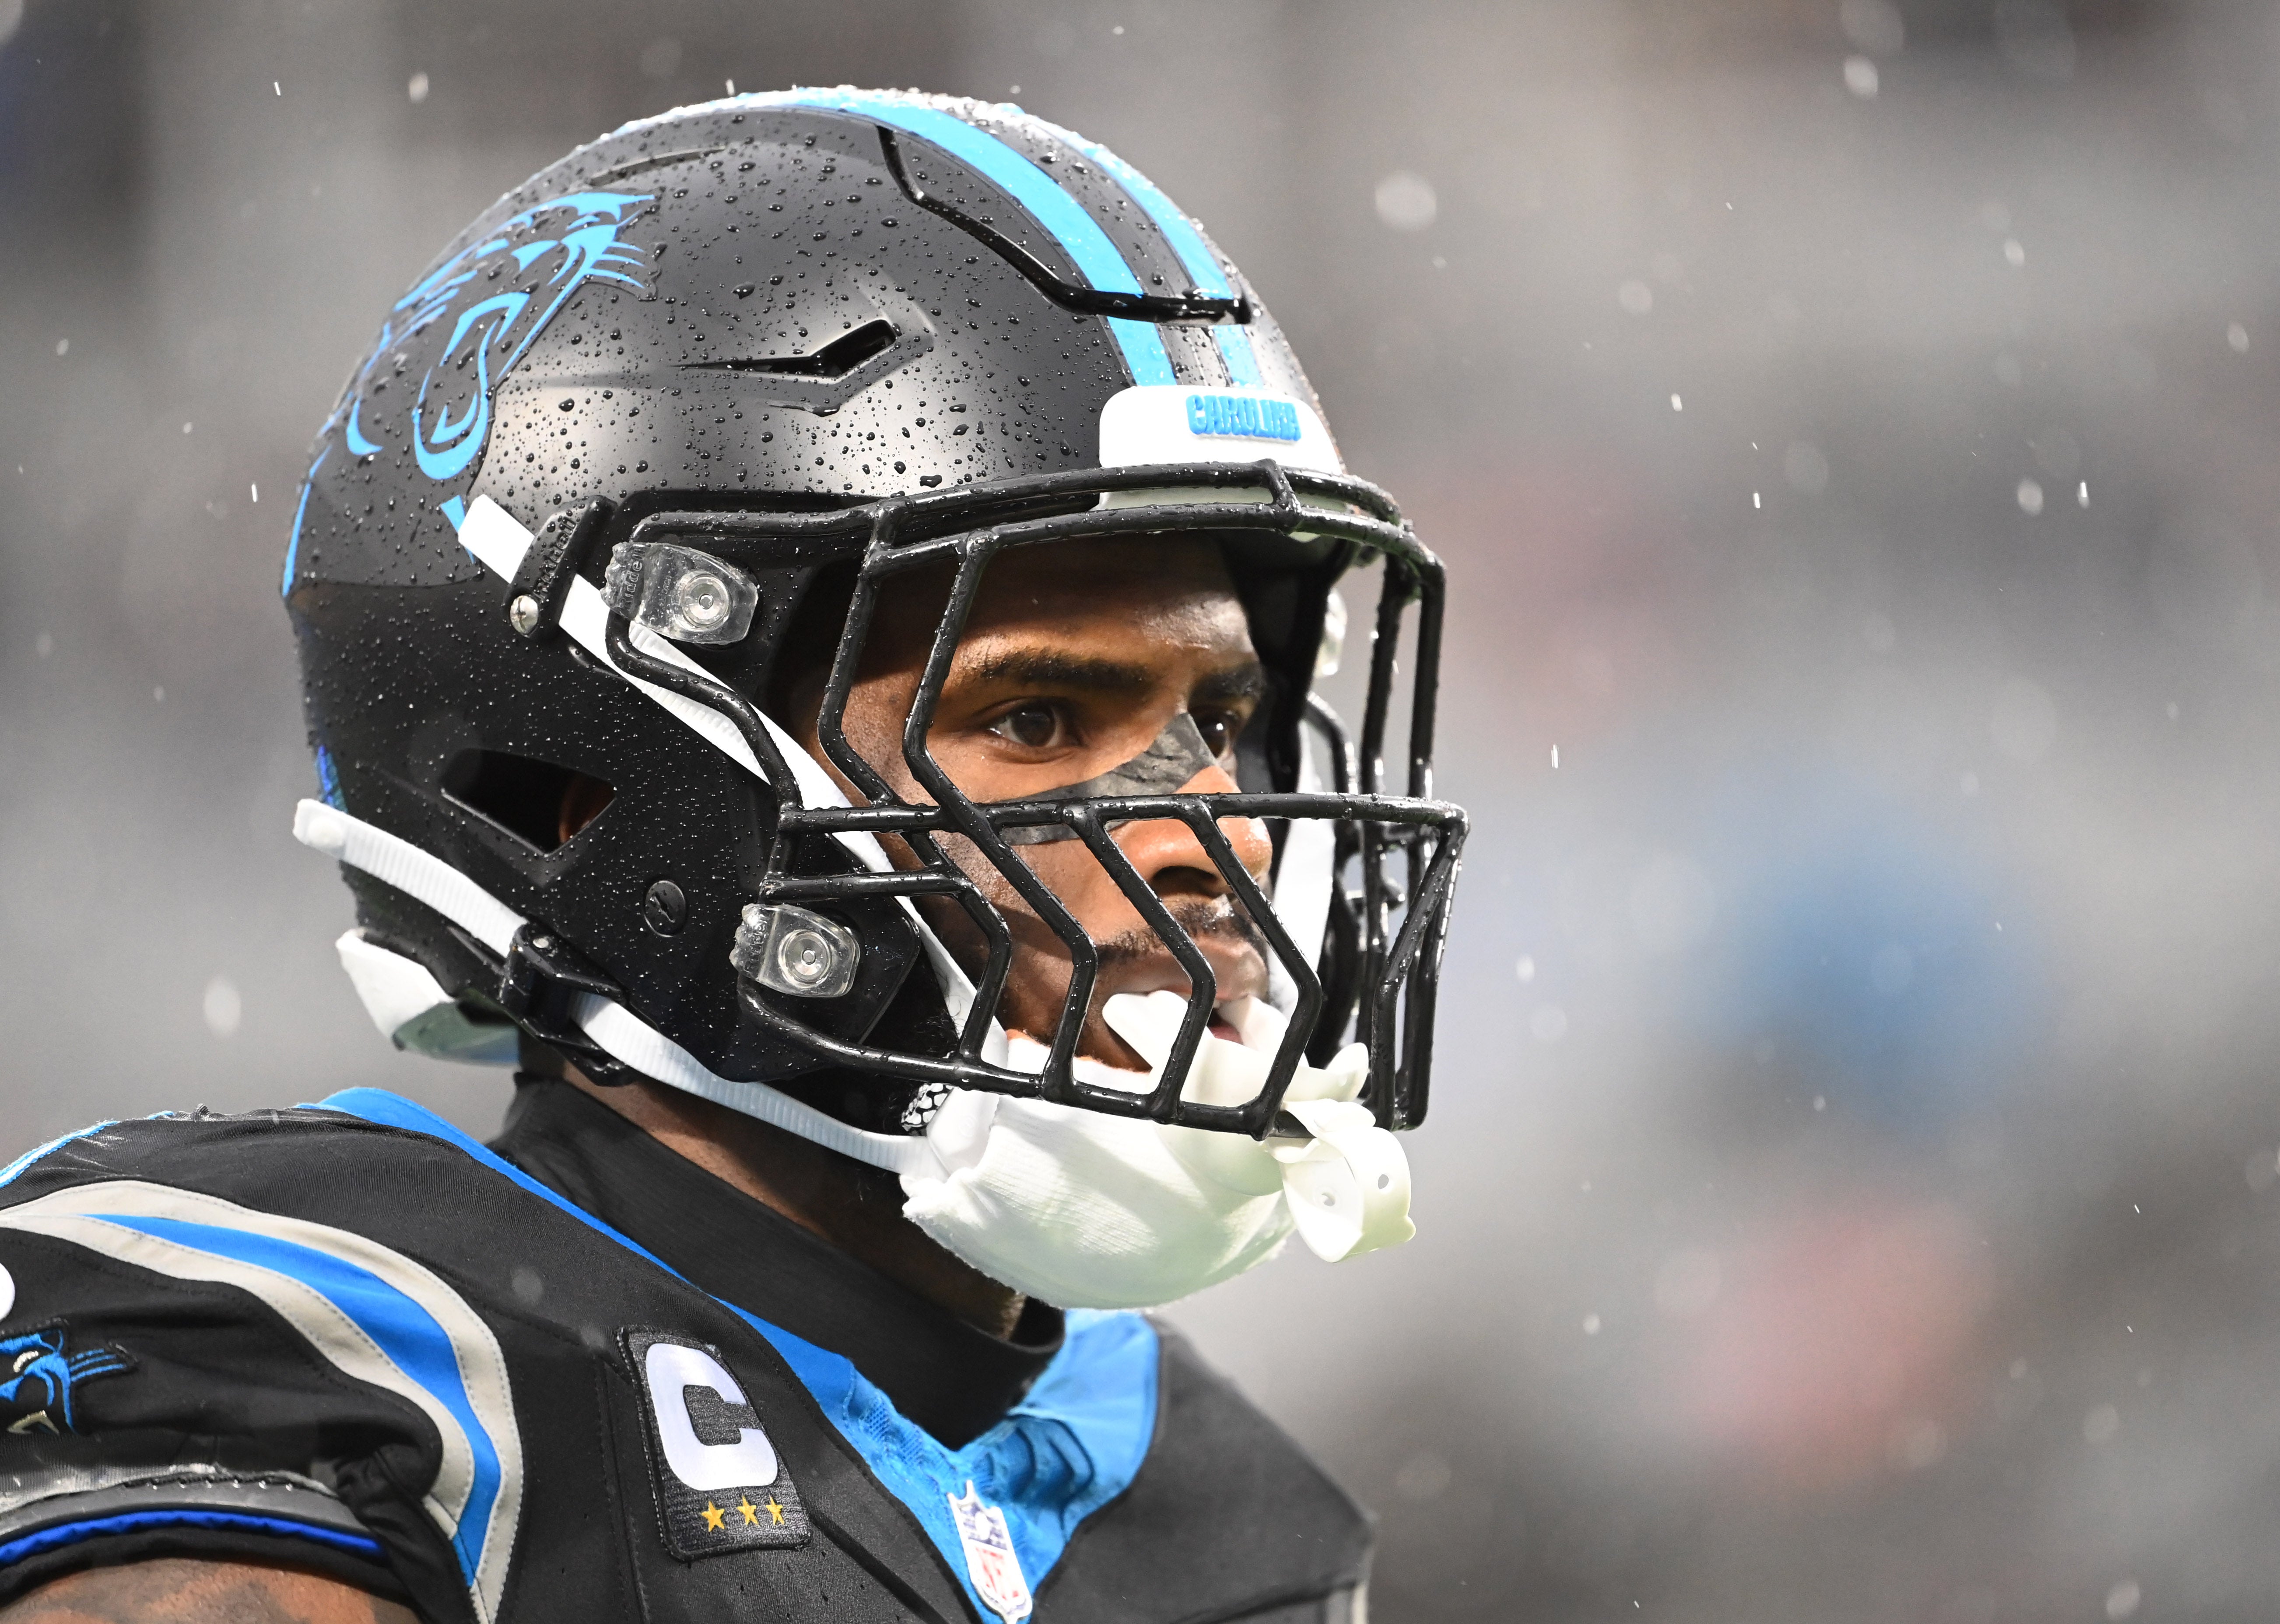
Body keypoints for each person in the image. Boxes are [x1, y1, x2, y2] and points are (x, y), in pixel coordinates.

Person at [0, 89, 1464, 1624]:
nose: (1206, 838)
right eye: (1034, 717)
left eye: (1217, 721)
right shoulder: (335, 1371)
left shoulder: (1227, 1514)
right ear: (588, 793)